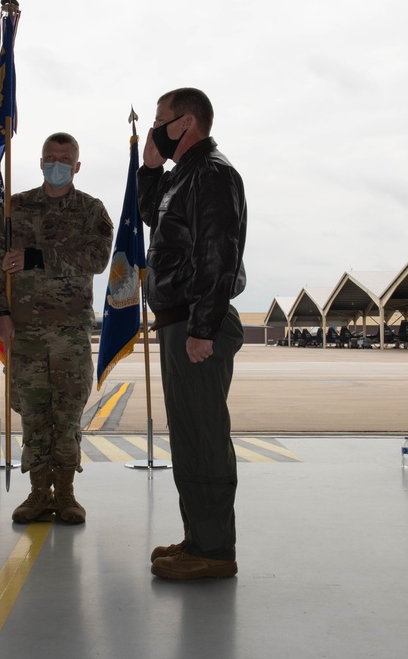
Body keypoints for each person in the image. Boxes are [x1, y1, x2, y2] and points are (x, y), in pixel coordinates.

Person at [137, 88, 248, 581]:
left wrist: (202, 328)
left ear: (186, 122)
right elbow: (152, 218)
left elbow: (218, 254)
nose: (156, 127)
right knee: (188, 436)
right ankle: (199, 538)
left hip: (197, 325)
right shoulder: (184, 177)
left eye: (161, 120)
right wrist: (149, 166)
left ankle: (215, 551)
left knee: (203, 436)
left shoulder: (212, 173)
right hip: (180, 321)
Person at [0, 132, 113, 524]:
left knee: (68, 415)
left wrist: (37, 257)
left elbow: (96, 258)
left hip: (70, 334)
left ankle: (67, 495)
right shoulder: (14, 209)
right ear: (40, 162)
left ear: (76, 166)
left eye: (64, 158)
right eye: (49, 157)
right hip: (24, 332)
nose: (56, 163)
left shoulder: (92, 211)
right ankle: (39, 494)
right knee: (34, 415)